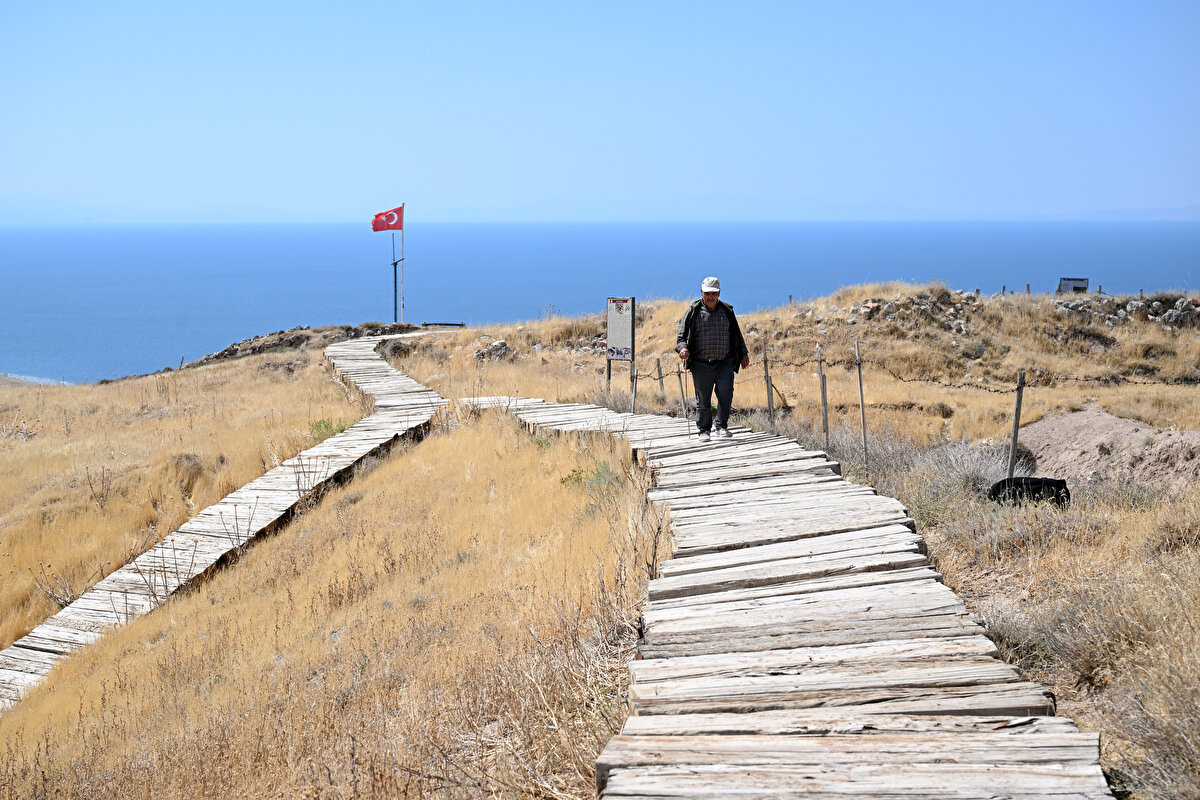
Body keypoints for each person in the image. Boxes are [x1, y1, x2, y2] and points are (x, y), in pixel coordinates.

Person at [675, 276, 750, 441]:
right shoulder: (693, 311)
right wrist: (683, 349)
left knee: (726, 394)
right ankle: (704, 430)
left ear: (719, 293)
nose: (711, 297)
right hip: (701, 364)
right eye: (707, 293)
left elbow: (737, 335)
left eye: (714, 294)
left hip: (724, 362)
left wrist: (744, 353)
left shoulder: (727, 311)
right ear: (701, 292)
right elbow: (681, 338)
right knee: (703, 399)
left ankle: (721, 425)